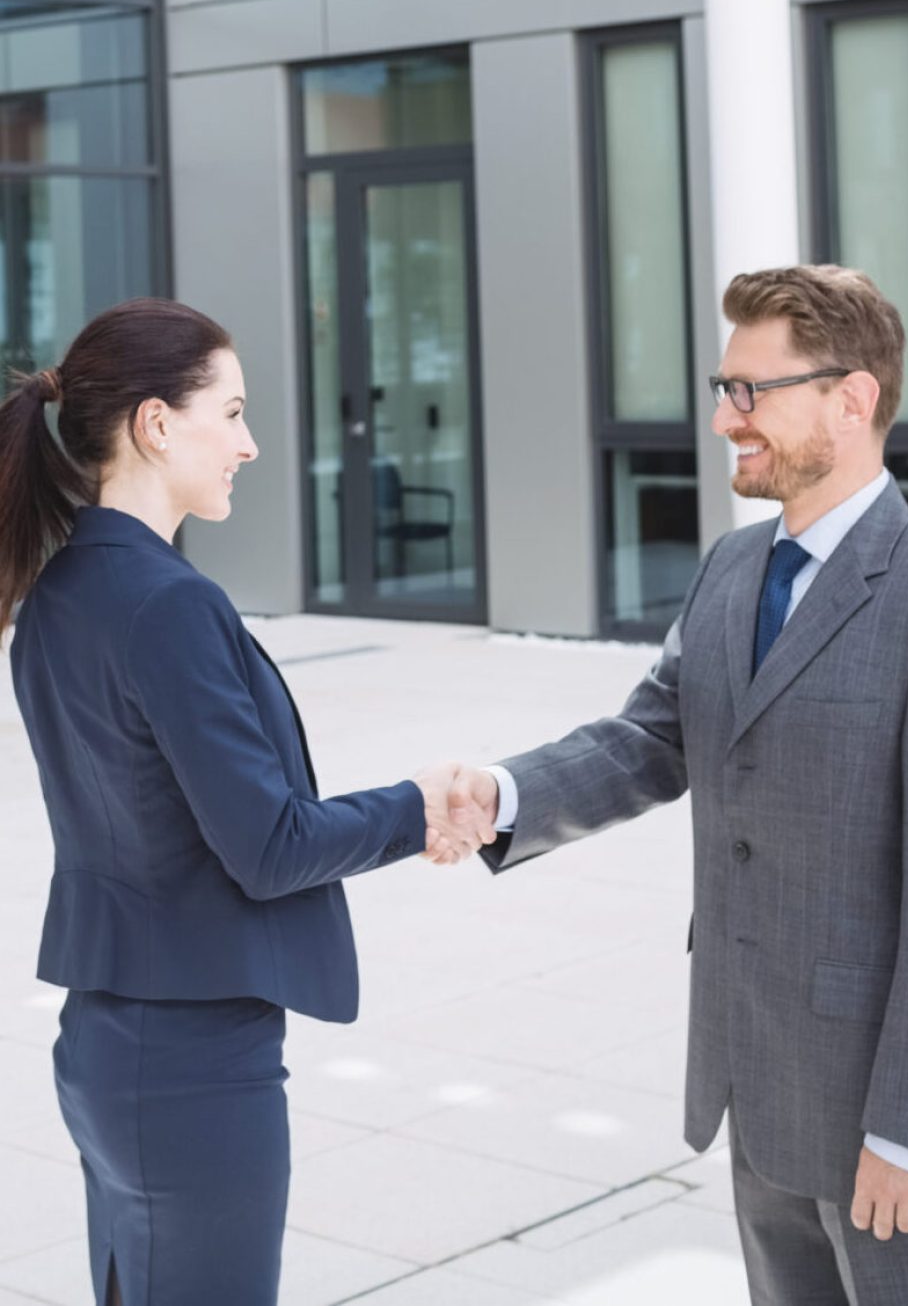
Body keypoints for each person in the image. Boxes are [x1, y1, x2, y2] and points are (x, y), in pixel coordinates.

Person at [444, 265, 908, 1305]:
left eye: (750, 390)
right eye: (723, 387)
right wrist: (503, 793)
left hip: (889, 1127)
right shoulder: (728, 568)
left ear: (852, 399)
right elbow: (648, 739)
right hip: (758, 1093)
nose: (723, 418)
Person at [0, 297, 493, 1306]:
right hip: (193, 1059)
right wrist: (419, 803)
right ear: (155, 423)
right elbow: (267, 843)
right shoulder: (170, 602)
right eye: (229, 412)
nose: (250, 443)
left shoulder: (55, 595)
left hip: (107, 1038)